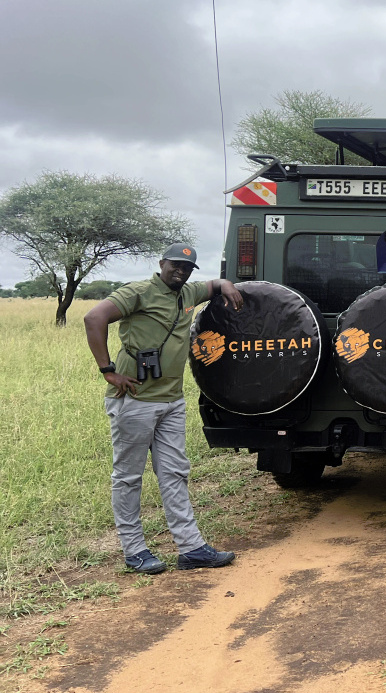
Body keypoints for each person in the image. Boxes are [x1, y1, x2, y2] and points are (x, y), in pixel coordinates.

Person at [83, 243, 244, 573]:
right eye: (176, 265)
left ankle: (191, 548)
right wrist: (107, 370)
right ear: (162, 264)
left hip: (171, 402)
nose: (181, 271)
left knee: (174, 473)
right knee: (128, 478)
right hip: (136, 402)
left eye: (187, 268)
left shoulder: (188, 294)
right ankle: (134, 551)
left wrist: (226, 284)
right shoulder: (139, 292)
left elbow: (213, 285)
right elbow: (93, 317)